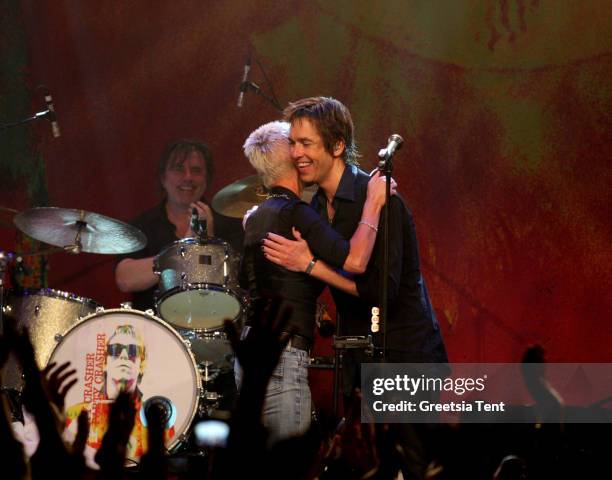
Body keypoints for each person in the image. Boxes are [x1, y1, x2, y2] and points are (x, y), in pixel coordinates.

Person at [263, 97, 448, 374]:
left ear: (337, 145)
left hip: (405, 352)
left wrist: (310, 265)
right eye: (293, 143)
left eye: (306, 143)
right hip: (357, 350)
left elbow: (380, 290)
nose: (296, 153)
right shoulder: (315, 208)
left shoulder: (378, 197)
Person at [240, 120, 391, 444]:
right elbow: (355, 260)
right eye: (297, 145)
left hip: (250, 347)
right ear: (293, 159)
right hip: (283, 351)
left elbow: (245, 278)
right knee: (287, 468)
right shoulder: (296, 213)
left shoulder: (256, 218)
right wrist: (373, 203)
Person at [115, 139, 243, 311]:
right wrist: (184, 249)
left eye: (196, 170)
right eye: (179, 169)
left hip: (212, 327)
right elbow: (125, 280)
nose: (188, 177)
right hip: (155, 330)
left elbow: (238, 285)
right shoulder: (142, 226)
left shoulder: (228, 222)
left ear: (207, 179)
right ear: (163, 178)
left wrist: (210, 243)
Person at [65, 324, 172, 461]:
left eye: (133, 351)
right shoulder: (74, 415)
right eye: (115, 350)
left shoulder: (161, 422)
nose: (124, 356)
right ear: (104, 361)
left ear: (142, 364)